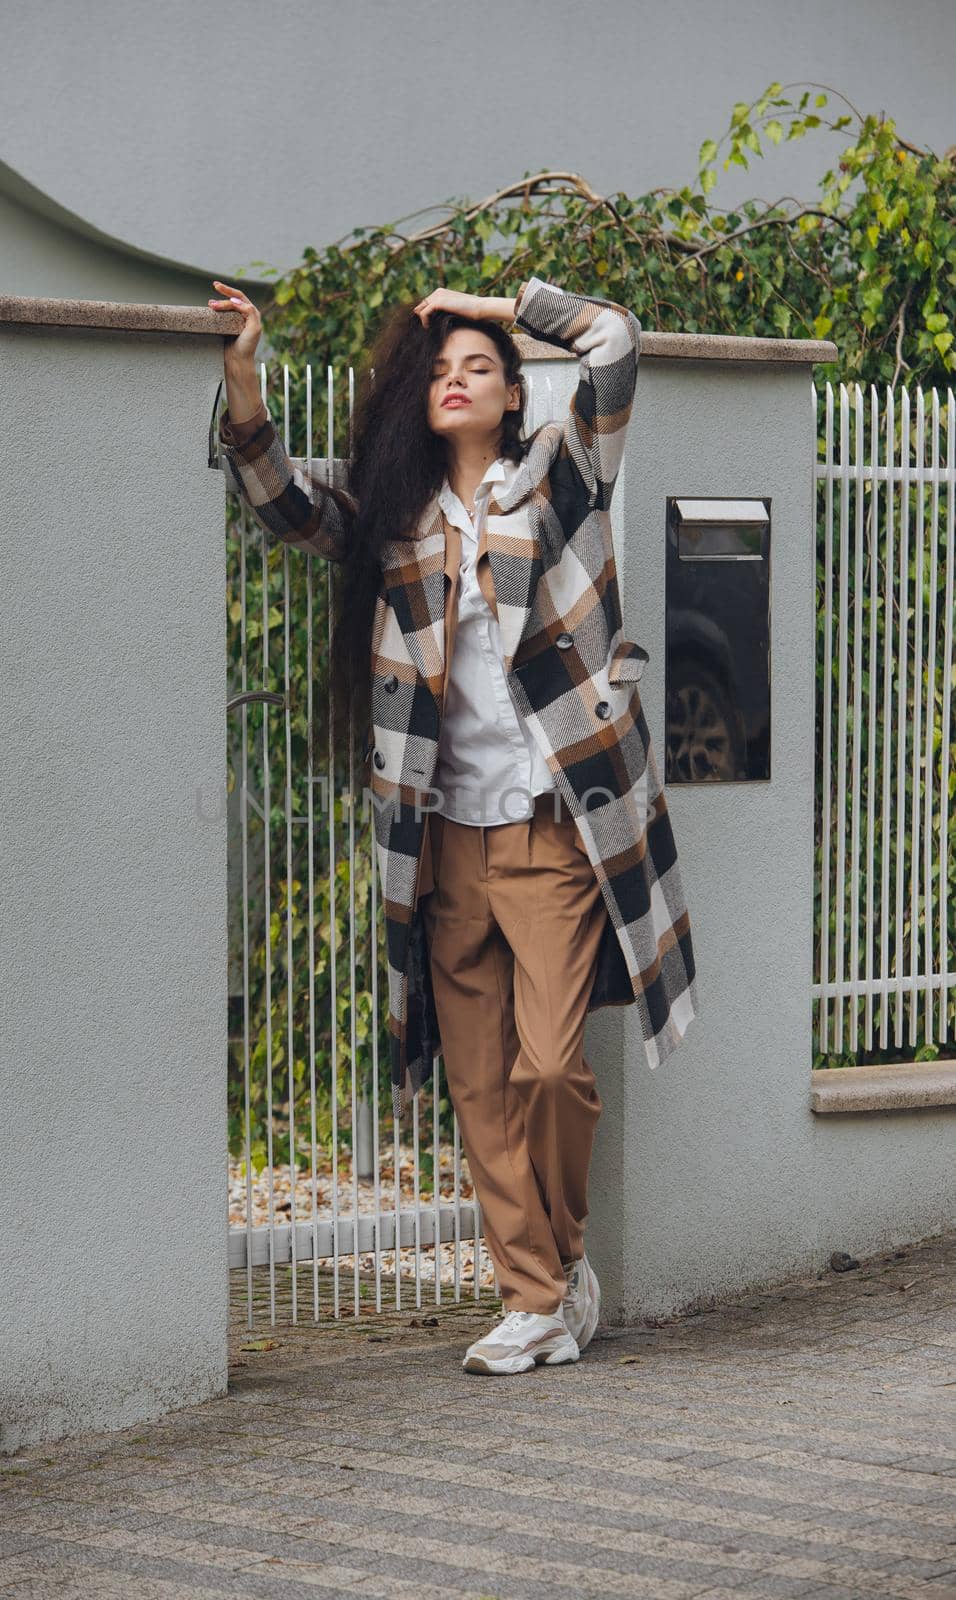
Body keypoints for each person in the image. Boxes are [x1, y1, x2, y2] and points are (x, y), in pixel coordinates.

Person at [210, 274, 698, 1376]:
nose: (454, 380)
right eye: (437, 369)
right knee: (479, 1084)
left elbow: (617, 341)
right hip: (441, 843)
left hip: (552, 829)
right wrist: (243, 373)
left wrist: (488, 302)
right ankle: (534, 1299)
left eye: (476, 366)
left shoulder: (564, 482)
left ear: (516, 391)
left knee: (551, 1071)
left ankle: (561, 1260)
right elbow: (280, 496)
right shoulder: (393, 520)